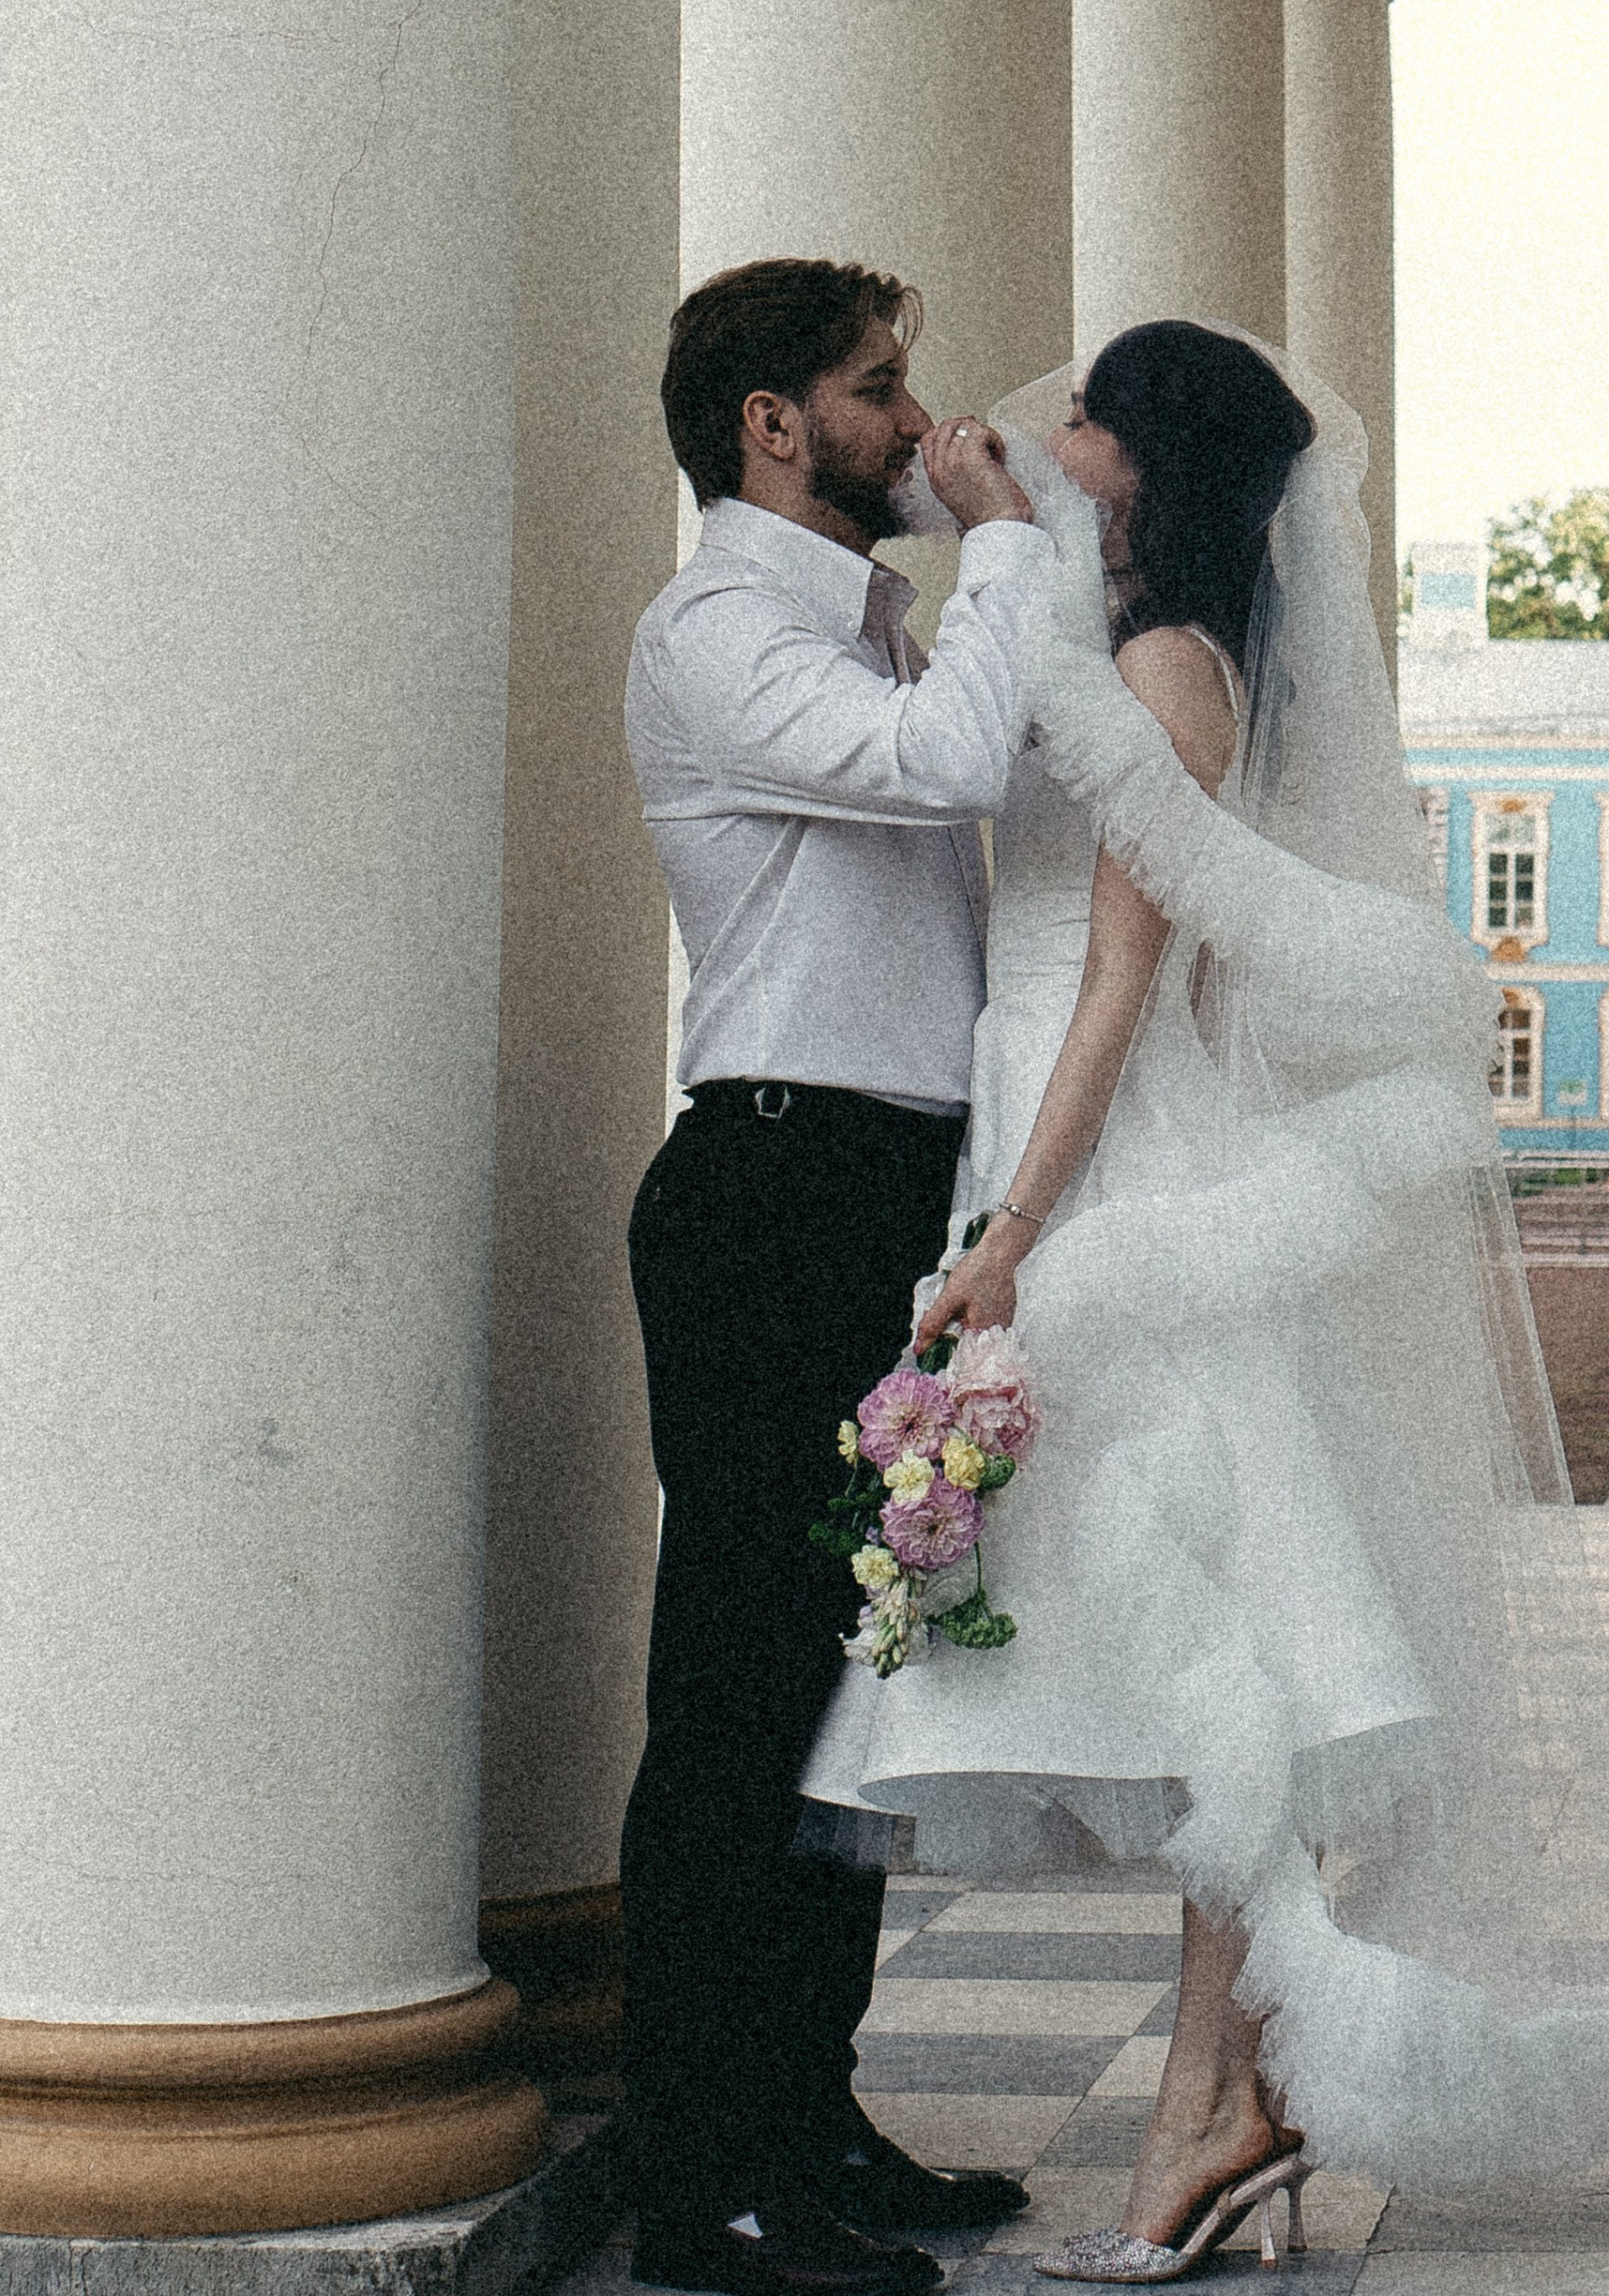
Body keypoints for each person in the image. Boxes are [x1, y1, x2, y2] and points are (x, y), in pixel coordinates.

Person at [804, 323, 1609, 2280]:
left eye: (1085, 419)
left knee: (1249, 1649)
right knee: (1199, 1654)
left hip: (1116, 1153)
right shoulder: (1110, 641)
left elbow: (1119, 980)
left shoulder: (1165, 668)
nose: (1048, 431)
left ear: (1144, 465)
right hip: (1044, 1120)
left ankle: (1206, 2110)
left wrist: (1019, 1227)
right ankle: (1221, 2103)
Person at [619, 257, 1056, 2296]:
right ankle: (700, 2184)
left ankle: (806, 2118)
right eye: (880, 388)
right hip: (773, 1194)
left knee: (847, 1690)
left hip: (881, 1196)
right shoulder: (720, 628)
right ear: (772, 423)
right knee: (736, 1700)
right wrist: (1009, 547)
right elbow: (947, 767)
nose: (916, 419)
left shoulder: (863, 626)